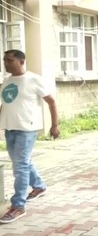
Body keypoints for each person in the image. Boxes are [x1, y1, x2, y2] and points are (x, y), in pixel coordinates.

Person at [0, 49, 60, 224]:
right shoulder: (7, 81)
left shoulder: (34, 80)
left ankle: (18, 205)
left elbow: (51, 101)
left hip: (27, 129)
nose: (5, 63)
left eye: (9, 60)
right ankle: (39, 186)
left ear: (21, 61)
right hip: (10, 129)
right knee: (23, 162)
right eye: (4, 60)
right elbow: (6, 104)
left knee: (20, 167)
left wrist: (54, 125)